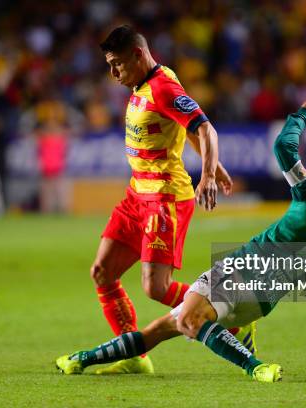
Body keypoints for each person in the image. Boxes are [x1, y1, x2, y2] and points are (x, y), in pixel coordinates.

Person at [56, 94, 306, 382]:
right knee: (162, 328)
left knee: (187, 321)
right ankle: (81, 360)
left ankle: (256, 367)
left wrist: (304, 114)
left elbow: (283, 146)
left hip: (241, 270)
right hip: (264, 303)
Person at [88, 25, 234, 374]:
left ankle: (231, 319)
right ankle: (134, 357)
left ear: (138, 55)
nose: (113, 73)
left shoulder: (163, 87)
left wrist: (210, 174)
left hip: (165, 198)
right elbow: (185, 128)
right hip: (137, 193)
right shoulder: (141, 83)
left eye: (118, 64)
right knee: (102, 272)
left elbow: (204, 127)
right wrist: (216, 164)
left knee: (156, 288)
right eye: (109, 65)